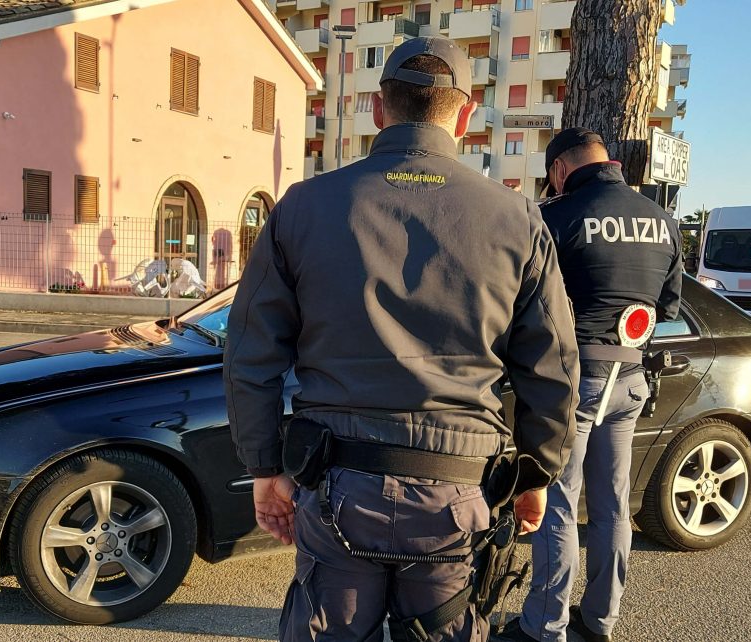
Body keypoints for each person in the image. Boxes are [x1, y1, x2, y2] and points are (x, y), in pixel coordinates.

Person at [223, 36, 579, 642]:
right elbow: (553, 365)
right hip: (458, 488)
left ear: (377, 108)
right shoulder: (517, 219)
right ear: (465, 116)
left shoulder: (302, 207)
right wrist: (537, 473)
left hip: (336, 481)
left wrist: (264, 467)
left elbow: (250, 352)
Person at [495, 129, 682, 642]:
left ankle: (545, 626)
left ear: (559, 169)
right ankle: (600, 620)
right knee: (612, 505)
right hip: (631, 378)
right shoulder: (662, 220)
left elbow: (523, 301)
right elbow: (667, 305)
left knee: (557, 501)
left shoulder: (557, 216)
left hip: (572, 382)